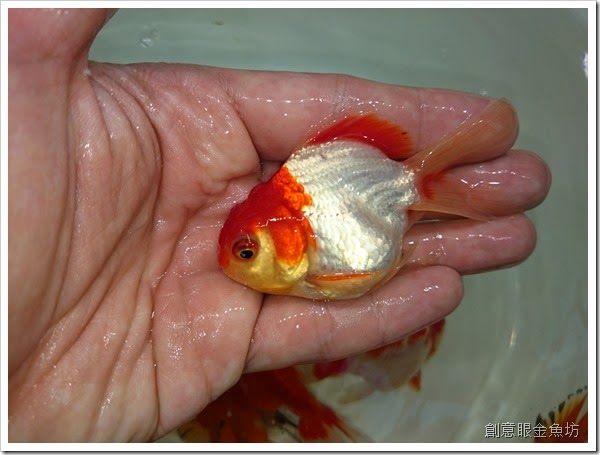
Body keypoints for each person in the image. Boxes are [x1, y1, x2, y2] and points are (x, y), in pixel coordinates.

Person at [8, 8, 551, 442]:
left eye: (247, 252)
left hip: (370, 185)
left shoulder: (309, 215)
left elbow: (358, 269)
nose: (237, 263)